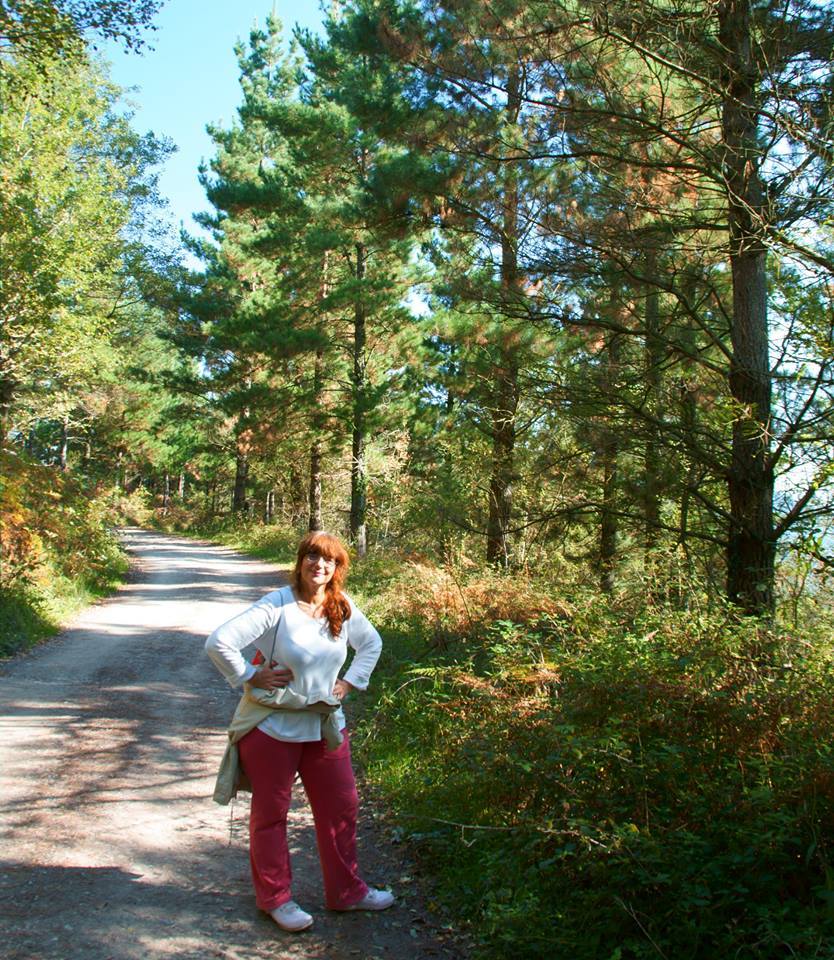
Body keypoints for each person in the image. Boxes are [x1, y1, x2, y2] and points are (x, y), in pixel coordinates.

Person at [205, 530, 394, 932]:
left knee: (341, 806)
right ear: (300, 561)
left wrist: (350, 682)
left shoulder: (342, 607)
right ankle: (276, 899)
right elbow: (219, 642)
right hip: (273, 727)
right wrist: (250, 675)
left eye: (328, 559)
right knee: (271, 814)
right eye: (312, 556)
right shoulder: (277, 605)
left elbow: (372, 644)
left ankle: (347, 892)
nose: (319, 565)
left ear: (338, 567)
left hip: (324, 725)